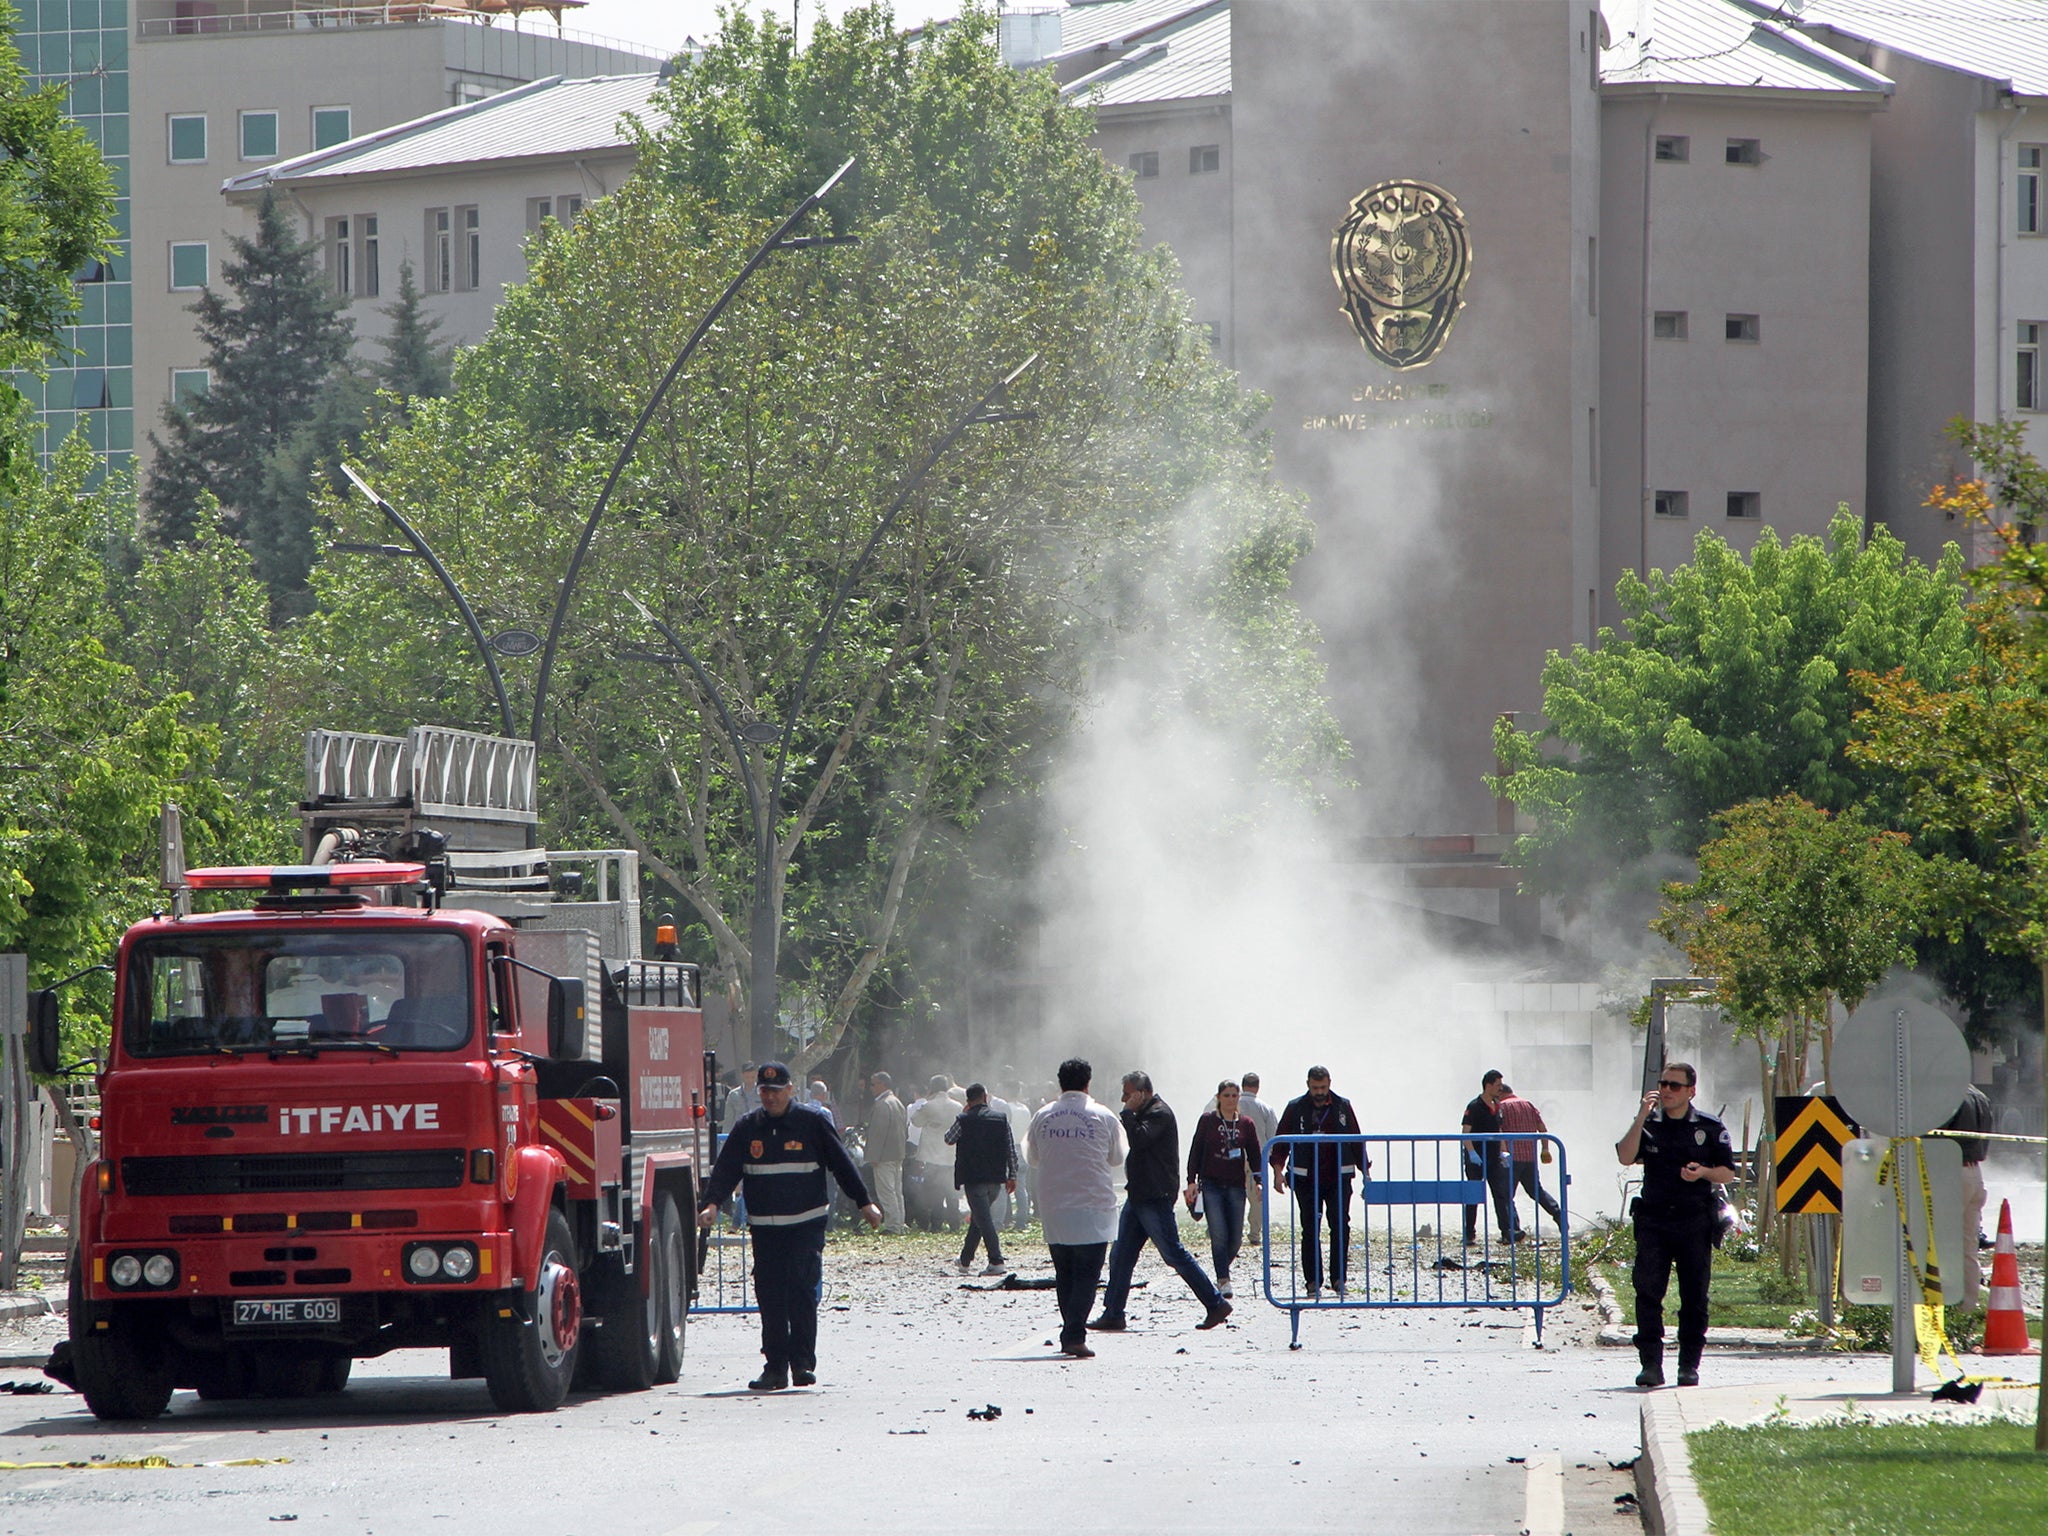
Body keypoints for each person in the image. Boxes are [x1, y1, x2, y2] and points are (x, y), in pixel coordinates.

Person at [698, 1062, 882, 1392]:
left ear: (790, 1090)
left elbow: (841, 1163)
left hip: (805, 1224)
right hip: (766, 1228)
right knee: (770, 1297)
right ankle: (775, 1367)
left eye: (776, 1090)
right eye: (764, 1091)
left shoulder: (811, 1123)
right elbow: (726, 1170)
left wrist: (864, 1201)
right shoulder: (747, 1127)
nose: (769, 1096)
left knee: (801, 1290)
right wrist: (712, 1204)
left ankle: (802, 1364)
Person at [1617, 1060, 1735, 1388]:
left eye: (1674, 1086)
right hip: (1654, 1221)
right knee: (1648, 1293)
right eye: (1663, 1084)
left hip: (1694, 1222)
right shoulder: (1649, 1124)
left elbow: (1727, 1171)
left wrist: (1703, 1173)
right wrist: (1641, 1116)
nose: (1666, 1091)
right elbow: (1626, 1157)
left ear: (1691, 1091)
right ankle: (1651, 1365)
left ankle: (1688, 1366)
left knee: (1694, 1297)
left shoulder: (1709, 1127)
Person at [1090, 1071, 1232, 1333]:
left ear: (1141, 1093)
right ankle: (1113, 1313)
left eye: (1128, 1093)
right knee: (1121, 1256)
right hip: (1139, 1195)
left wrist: (1128, 1113)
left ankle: (1215, 1302)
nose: (1124, 1098)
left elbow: (1139, 1140)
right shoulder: (1146, 1113)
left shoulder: (1159, 1113)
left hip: (1154, 1197)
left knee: (1174, 1253)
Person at [1027, 1058, 1127, 1358]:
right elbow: (1117, 1157)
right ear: (1088, 1083)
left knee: (1065, 1272)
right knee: (1086, 1273)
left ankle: (1071, 1330)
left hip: (1054, 1204)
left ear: (1060, 1083)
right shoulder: (1104, 1116)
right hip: (1091, 1205)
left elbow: (1032, 1157)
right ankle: (1073, 1334)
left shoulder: (1043, 1116)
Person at [1268, 1066, 1368, 1295]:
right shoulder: (1295, 1108)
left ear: (1330, 1083)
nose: (1319, 1092)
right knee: (1310, 1228)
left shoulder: (1343, 1106)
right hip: (1306, 1179)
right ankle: (1313, 1281)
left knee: (1340, 1226)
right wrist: (1277, 1172)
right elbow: (1280, 1141)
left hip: (1338, 1177)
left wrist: (1366, 1173)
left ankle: (1339, 1279)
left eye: (1323, 1087)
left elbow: (1357, 1139)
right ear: (1308, 1085)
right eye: (1315, 1088)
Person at [1185, 1079, 1262, 1298]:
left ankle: (1221, 1267)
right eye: (1226, 1095)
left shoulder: (1246, 1123)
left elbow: (1255, 1154)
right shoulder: (1207, 1121)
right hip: (1211, 1185)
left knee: (1235, 1237)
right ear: (1218, 1097)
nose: (1230, 1099)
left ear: (1239, 1098)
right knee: (1218, 1233)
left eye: (1234, 1096)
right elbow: (1196, 1150)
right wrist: (1191, 1180)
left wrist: (1258, 1180)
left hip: (1236, 1186)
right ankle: (1223, 1279)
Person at [945, 1083, 1019, 1275]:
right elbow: (1010, 1149)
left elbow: (949, 1138)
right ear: (985, 1097)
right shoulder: (1000, 1119)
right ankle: (965, 1260)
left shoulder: (964, 1119)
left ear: (968, 1101)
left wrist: (963, 1114)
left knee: (984, 1220)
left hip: (973, 1178)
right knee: (979, 1218)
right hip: (995, 1179)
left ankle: (996, 1260)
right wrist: (1012, 1175)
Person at [1940, 1081, 1996, 1306]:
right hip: (1974, 1173)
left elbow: (1934, 1136)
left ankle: (1940, 1309)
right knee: (1968, 1246)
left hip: (1949, 1171)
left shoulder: (1947, 1095)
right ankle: (1967, 1308)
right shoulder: (1979, 1096)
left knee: (1937, 1243)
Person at [1495, 1083, 1564, 1238]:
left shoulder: (1501, 1107)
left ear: (1501, 1094)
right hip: (1530, 1158)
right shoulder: (1528, 1105)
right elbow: (1543, 1129)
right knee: (1536, 1191)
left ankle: (1514, 1229)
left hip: (1511, 1158)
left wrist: (1503, 1152)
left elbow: (1499, 1132)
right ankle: (1558, 1214)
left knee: (1506, 1195)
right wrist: (1545, 1149)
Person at [1460, 1069, 1516, 1245]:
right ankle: (1469, 1233)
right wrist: (1471, 1153)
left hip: (1494, 1157)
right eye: (1497, 1085)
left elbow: (1498, 1131)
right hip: (1477, 1158)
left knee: (1500, 1194)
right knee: (1473, 1196)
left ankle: (1507, 1231)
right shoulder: (1474, 1106)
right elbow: (1465, 1132)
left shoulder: (1497, 1106)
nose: (1500, 1089)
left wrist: (1503, 1150)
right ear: (1488, 1085)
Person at [909, 1074, 964, 1229]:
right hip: (952, 1156)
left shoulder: (929, 1105)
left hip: (933, 1156)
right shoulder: (957, 1106)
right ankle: (954, 1224)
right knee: (952, 1194)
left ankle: (936, 1224)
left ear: (931, 1088)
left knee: (935, 1194)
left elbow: (915, 1120)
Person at [865, 1072, 908, 1234]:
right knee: (897, 1192)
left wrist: (873, 1156)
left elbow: (878, 1133)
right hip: (897, 1154)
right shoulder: (897, 1102)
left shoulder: (882, 1104)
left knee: (886, 1192)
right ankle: (899, 1223)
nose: (871, 1088)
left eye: (873, 1084)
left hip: (884, 1155)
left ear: (882, 1084)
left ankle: (893, 1226)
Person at [1239, 1072, 1279, 1236]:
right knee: (1257, 1198)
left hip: (1234, 1158)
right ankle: (1255, 1233)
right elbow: (1274, 1136)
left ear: (1242, 1086)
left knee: (1235, 1195)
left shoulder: (1234, 1104)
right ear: (1257, 1087)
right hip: (1258, 1159)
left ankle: (1234, 1231)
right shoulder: (1265, 1108)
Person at [998, 1079, 1035, 1231]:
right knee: (1021, 1188)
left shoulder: (1006, 1108)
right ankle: (1021, 1221)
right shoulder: (1025, 1109)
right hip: (1024, 1148)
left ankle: (1006, 1218)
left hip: (1010, 1148)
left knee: (1004, 1185)